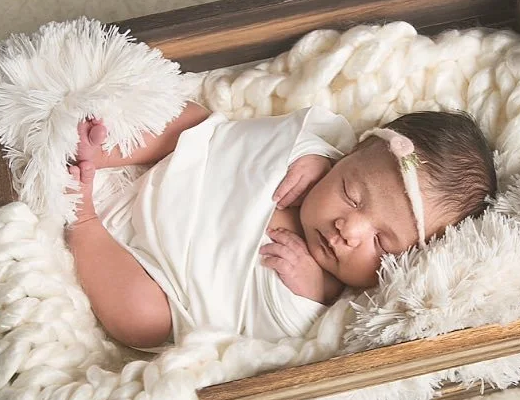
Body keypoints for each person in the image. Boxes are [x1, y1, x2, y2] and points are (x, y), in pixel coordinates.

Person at [65, 101, 496, 350]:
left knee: (145, 322)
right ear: (350, 154)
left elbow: (308, 336)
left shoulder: (332, 300)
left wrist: (318, 291)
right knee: (196, 120)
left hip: (155, 273)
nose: (350, 228)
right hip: (170, 179)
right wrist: (313, 157)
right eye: (352, 193)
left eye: (382, 242)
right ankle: (96, 151)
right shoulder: (316, 155)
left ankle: (80, 217)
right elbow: (272, 134)